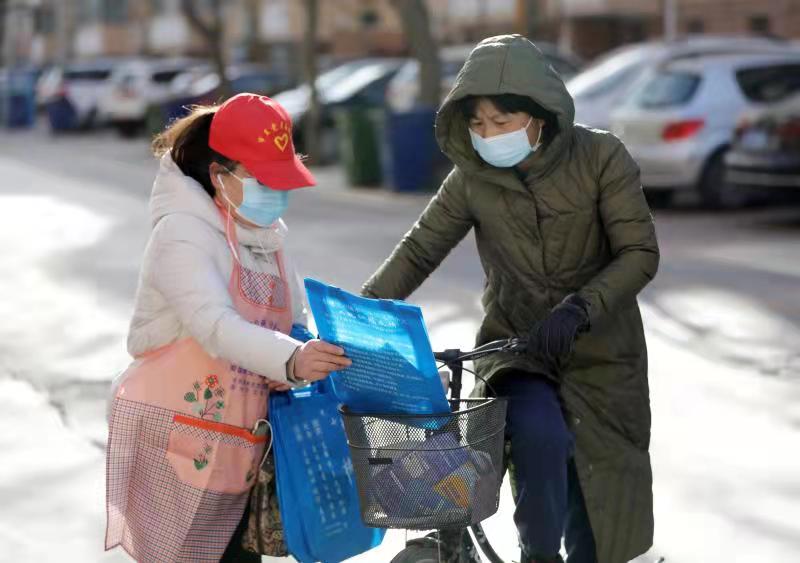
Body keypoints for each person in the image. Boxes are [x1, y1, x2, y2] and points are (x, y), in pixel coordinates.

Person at [362, 35, 659, 563]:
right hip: (519, 349)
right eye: (478, 124)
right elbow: (419, 250)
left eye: (501, 122)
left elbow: (639, 252)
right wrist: (359, 316)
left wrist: (580, 308)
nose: (488, 135)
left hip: (603, 352)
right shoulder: (471, 179)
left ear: (539, 115)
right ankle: (537, 555)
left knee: (599, 508)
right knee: (539, 436)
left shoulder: (601, 156)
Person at [105, 93, 351, 563]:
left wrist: (303, 350)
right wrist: (291, 358)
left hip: (241, 444)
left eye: (282, 180)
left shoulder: (266, 236)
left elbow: (293, 319)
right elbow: (215, 325)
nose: (276, 193)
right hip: (177, 439)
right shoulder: (181, 233)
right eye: (263, 180)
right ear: (220, 175)